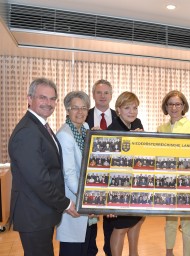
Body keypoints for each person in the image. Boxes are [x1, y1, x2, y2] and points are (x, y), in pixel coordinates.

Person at [8, 78, 79, 256]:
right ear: (29, 99)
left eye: (52, 98)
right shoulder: (27, 132)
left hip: (41, 212)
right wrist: (65, 203)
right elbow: (39, 180)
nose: (48, 103)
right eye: (43, 97)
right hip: (34, 215)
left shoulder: (40, 126)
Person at [157, 90, 190, 256]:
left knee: (188, 222)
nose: (174, 107)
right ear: (166, 107)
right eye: (170, 104)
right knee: (169, 220)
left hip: (187, 181)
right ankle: (169, 251)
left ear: (183, 106)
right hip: (167, 181)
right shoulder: (161, 129)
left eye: (177, 104)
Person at [56, 91, 98, 255]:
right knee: (72, 249)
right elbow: (70, 176)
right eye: (75, 108)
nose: (80, 112)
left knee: (87, 247)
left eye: (84, 108)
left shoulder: (85, 128)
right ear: (67, 110)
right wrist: (89, 199)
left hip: (84, 200)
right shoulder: (65, 135)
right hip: (74, 201)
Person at [107, 91, 145, 256]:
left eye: (135, 107)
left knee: (137, 221)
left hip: (135, 185)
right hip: (119, 187)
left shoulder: (137, 123)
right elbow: (110, 164)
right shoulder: (112, 129)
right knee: (121, 227)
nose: (132, 111)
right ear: (118, 110)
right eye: (127, 107)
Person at [85, 79, 118, 256]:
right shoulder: (83, 116)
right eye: (99, 92)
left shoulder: (120, 117)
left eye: (106, 93)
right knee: (88, 225)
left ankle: (109, 252)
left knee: (111, 224)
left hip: (113, 178)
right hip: (90, 178)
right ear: (93, 95)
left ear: (111, 95)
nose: (103, 96)